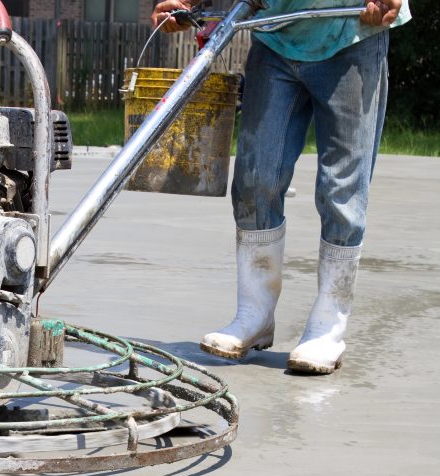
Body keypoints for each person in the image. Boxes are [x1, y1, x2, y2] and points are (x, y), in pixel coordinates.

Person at [152, 0, 410, 374]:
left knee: (341, 188)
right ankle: (254, 314)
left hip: (349, 30)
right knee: (256, 177)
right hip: (275, 34)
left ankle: (328, 326)